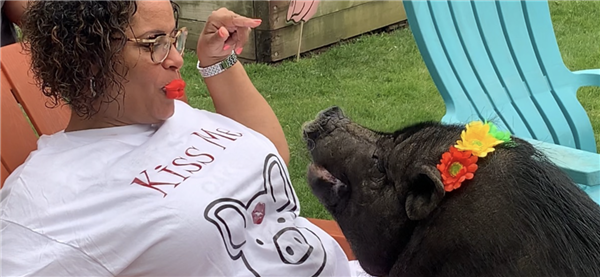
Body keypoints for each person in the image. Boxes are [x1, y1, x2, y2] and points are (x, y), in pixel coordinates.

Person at [0, 0, 374, 276]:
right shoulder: (49, 199)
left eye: (174, 38)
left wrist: (218, 60)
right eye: (154, 43)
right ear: (91, 59)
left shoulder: (175, 115)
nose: (176, 58)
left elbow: (272, 154)